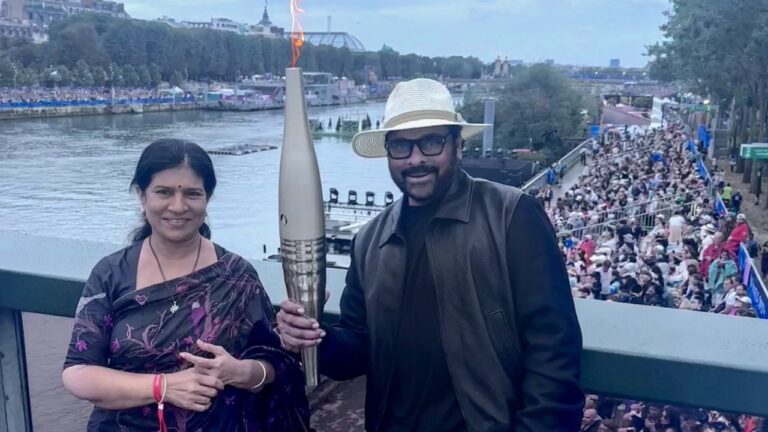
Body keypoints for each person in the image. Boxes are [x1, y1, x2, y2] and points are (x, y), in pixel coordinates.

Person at [277, 78, 584, 431]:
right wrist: (314, 336)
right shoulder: (370, 240)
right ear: (389, 153)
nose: (416, 159)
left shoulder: (512, 217)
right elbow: (359, 347)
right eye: (401, 147)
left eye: (432, 142)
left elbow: (554, 352)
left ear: (457, 146)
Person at [62, 140, 309, 431]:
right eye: (163, 192)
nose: (178, 207)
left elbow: (276, 362)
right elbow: (77, 372)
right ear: (141, 196)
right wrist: (164, 386)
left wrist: (240, 372)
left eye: (192, 194)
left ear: (208, 198)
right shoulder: (112, 273)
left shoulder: (236, 275)